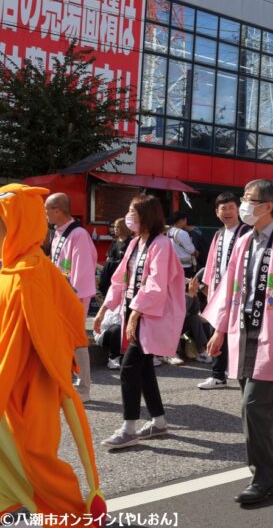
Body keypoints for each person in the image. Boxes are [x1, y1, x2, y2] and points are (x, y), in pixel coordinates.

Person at [204, 179, 273, 505]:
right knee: (264, 406)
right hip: (245, 333)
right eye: (243, 199)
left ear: (268, 206)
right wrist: (220, 329)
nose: (242, 205)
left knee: (253, 405)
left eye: (249, 200)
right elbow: (230, 289)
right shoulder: (245, 242)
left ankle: (263, 477)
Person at [0, 184, 106, 520]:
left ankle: (73, 514)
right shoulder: (16, 268)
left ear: (17, 224)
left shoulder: (29, 274)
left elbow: (24, 344)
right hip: (13, 384)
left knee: (35, 456)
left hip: (29, 386)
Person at [95, 195, 186, 449]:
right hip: (137, 314)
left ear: (147, 215)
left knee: (129, 368)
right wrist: (104, 308)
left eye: (133, 212)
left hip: (150, 317)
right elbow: (119, 279)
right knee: (144, 369)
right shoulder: (136, 243)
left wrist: (135, 312)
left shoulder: (161, 245)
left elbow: (157, 286)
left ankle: (129, 428)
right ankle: (158, 422)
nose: (129, 216)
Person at [44, 192, 98, 402]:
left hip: (73, 297)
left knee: (76, 340)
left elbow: (82, 272)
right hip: (61, 295)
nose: (45, 214)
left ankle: (83, 388)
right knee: (64, 340)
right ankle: (65, 382)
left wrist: (72, 301)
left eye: (46, 210)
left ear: (57, 210)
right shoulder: (60, 232)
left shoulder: (78, 235)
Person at [198, 193, 252, 390]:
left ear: (238, 209)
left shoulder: (247, 232)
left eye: (231, 207)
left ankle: (239, 370)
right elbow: (211, 262)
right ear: (217, 212)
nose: (227, 212)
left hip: (239, 292)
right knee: (216, 330)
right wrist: (206, 286)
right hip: (219, 291)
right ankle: (218, 374)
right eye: (223, 208)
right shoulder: (219, 234)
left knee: (237, 331)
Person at [99, 217, 132, 297]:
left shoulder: (130, 243)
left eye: (118, 227)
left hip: (121, 278)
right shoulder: (114, 242)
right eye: (114, 227)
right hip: (109, 277)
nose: (115, 229)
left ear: (124, 228)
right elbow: (108, 258)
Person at [167, 211, 198, 278]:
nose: (186, 222)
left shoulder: (169, 232)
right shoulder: (182, 233)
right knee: (185, 286)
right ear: (182, 220)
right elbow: (191, 250)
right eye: (185, 220)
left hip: (173, 264)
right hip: (184, 266)